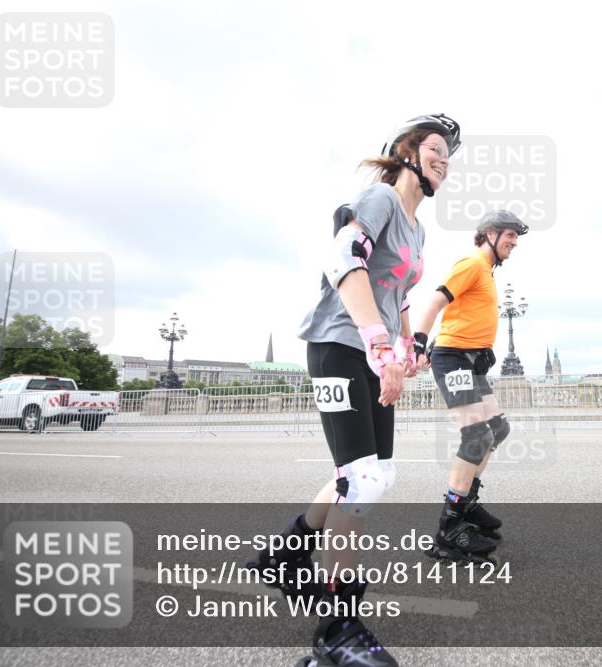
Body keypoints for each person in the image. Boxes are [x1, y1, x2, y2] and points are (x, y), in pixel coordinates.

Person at [248, 114, 461, 667]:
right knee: (361, 478)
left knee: (371, 474)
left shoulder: (417, 229)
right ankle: (335, 626)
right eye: (437, 148)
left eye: (449, 154)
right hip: (339, 344)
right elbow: (344, 258)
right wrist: (380, 344)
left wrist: (410, 344)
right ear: (408, 152)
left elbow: (402, 293)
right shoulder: (380, 199)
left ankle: (287, 553)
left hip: (374, 352)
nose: (445, 159)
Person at [410, 209, 528, 563]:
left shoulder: (487, 272)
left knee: (497, 428)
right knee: (476, 437)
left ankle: (468, 502)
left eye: (516, 237)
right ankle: (449, 530)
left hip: (470, 360)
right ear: (489, 233)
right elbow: (436, 300)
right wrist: (419, 344)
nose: (514, 242)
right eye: (510, 234)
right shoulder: (473, 263)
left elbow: (463, 316)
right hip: (454, 359)